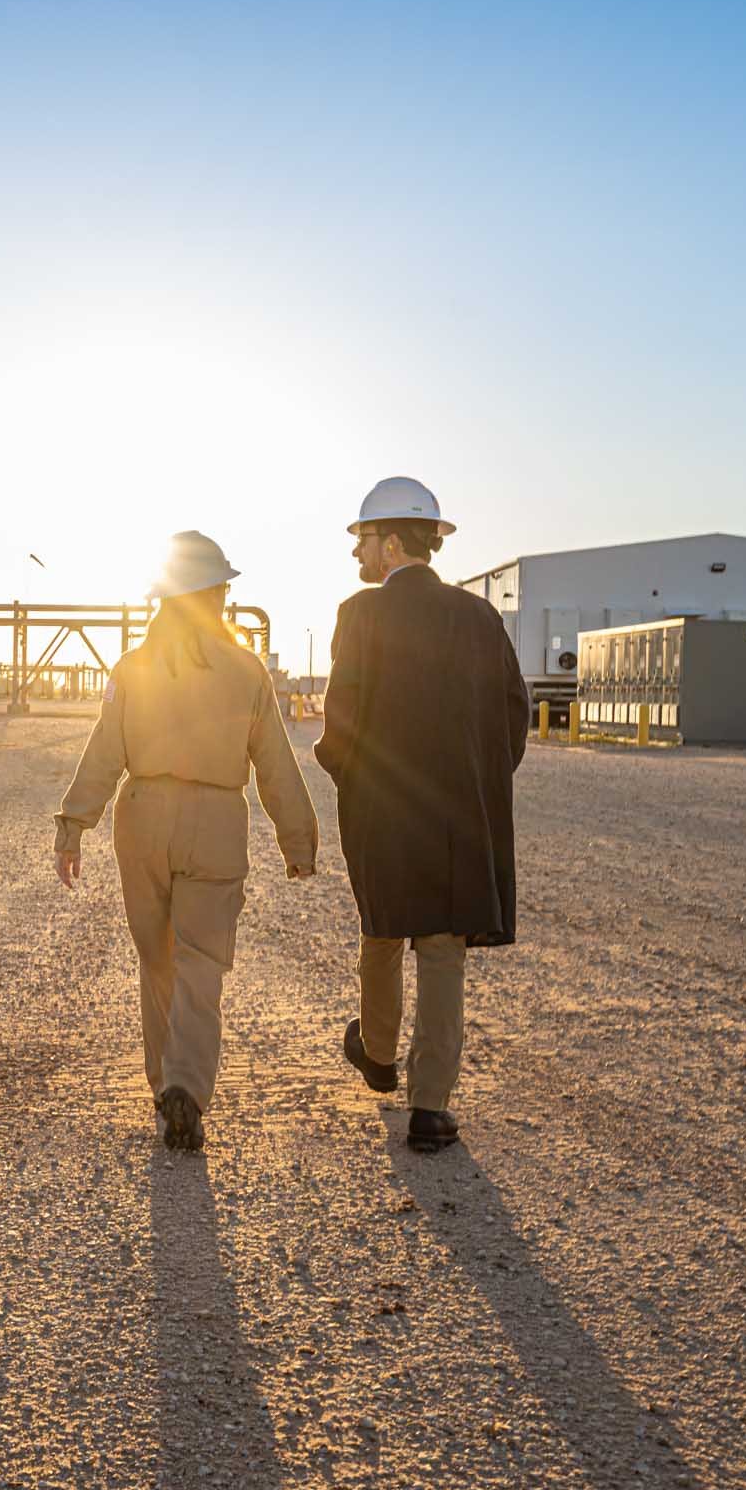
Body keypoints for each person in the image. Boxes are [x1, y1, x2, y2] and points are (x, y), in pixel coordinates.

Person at [54, 531, 319, 1151]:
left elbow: (103, 753)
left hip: (142, 815)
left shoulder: (133, 667)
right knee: (202, 963)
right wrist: (297, 841)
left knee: (158, 960)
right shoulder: (247, 671)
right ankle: (187, 1087)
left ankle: (161, 1085)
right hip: (215, 818)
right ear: (219, 595)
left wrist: (73, 824)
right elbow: (275, 762)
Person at [317, 477, 529, 1153]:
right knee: (442, 951)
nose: (358, 555)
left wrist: (347, 772)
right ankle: (431, 1107)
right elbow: (514, 718)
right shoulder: (480, 618)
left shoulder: (360, 615)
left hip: (384, 811)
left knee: (382, 932)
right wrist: (477, 781)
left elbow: (339, 722)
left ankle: (378, 1054)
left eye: (363, 541)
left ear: (389, 542)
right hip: (459, 815)